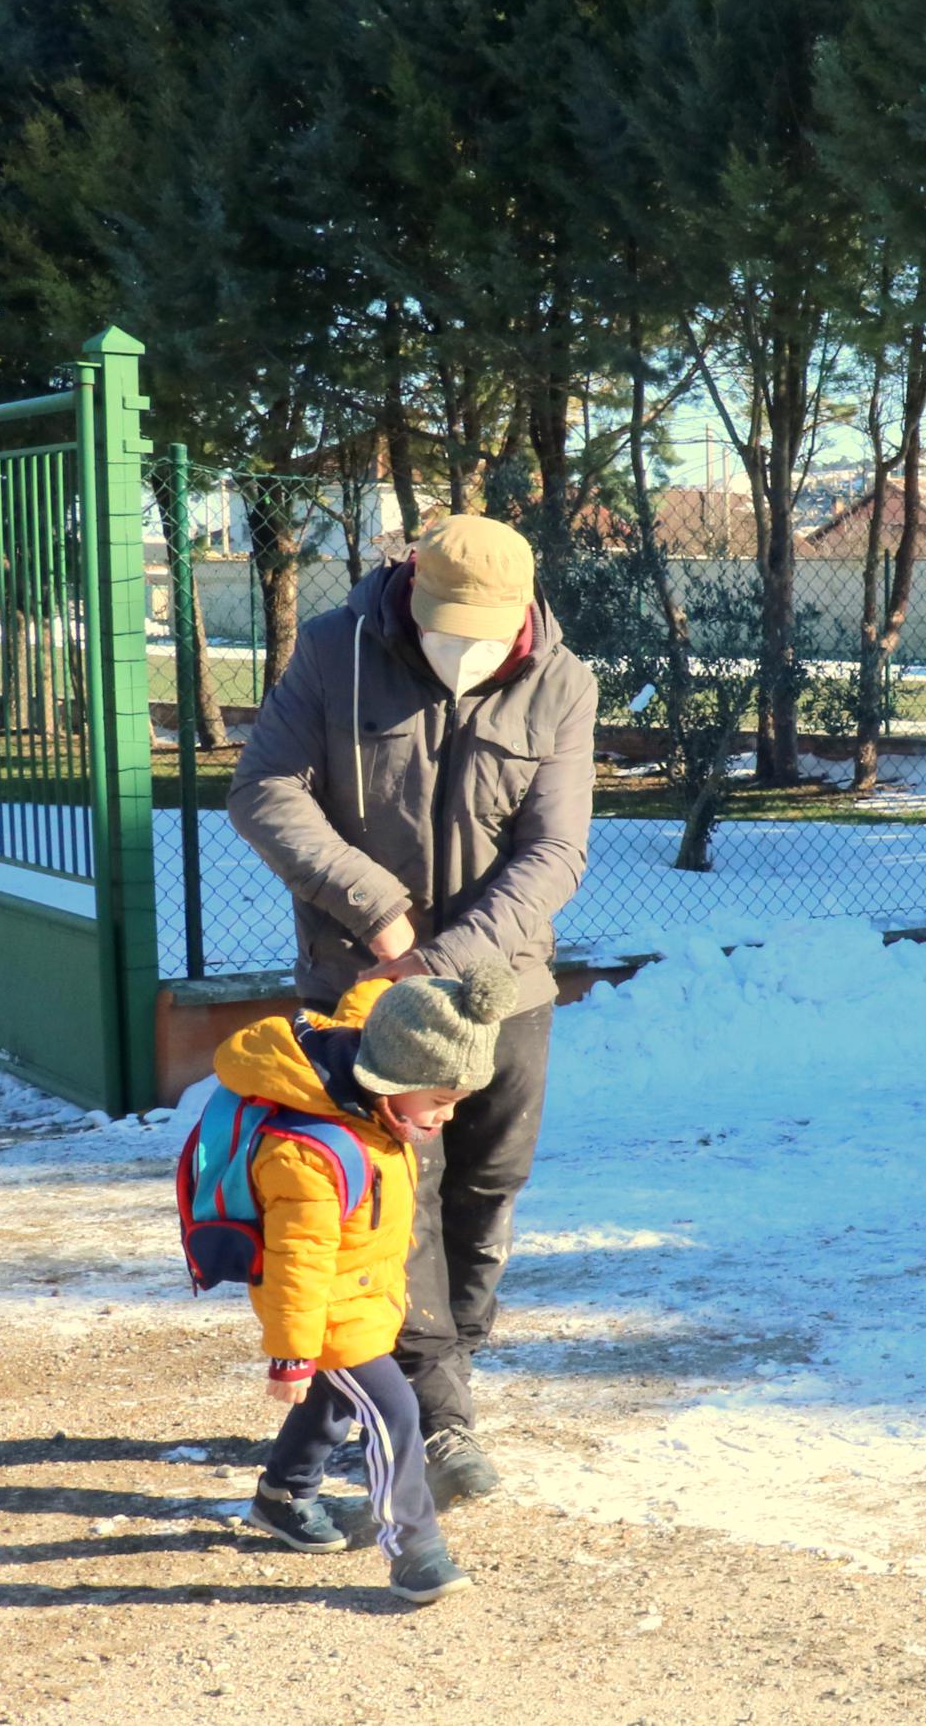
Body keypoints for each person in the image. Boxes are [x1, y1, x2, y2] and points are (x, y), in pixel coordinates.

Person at [228, 514, 596, 1505]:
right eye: (445, 628)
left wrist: (440, 957)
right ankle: (437, 1418)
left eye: (483, 632)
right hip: (361, 987)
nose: (462, 653)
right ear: (410, 593)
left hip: (499, 988)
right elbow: (263, 790)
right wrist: (384, 919)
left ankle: (428, 1377)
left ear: (522, 614)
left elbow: (554, 852)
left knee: (485, 1189)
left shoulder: (563, 681)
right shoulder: (334, 652)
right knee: (393, 1205)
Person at [227, 961, 522, 1606]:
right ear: (394, 1082)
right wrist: (291, 1353)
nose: (446, 1117)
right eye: (440, 1101)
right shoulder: (307, 1154)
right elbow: (297, 1263)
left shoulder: (374, 1072)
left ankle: (282, 1495)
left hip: (365, 1290)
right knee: (394, 1412)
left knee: (333, 1400)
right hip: (328, 1309)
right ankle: (414, 1551)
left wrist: (392, 975)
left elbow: (365, 1010)